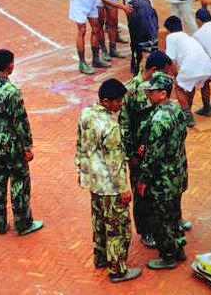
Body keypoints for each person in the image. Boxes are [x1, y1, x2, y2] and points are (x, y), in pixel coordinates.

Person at [75, 78, 141, 283]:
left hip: (92, 181)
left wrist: (82, 169)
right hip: (110, 186)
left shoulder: (86, 114)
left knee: (98, 222)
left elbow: (80, 145)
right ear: (106, 101)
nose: (121, 104)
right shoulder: (111, 127)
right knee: (117, 228)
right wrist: (124, 189)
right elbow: (115, 163)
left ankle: (101, 258)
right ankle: (117, 269)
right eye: (118, 101)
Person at [0, 49, 44, 236]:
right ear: (10, 65)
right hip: (12, 145)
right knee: (19, 182)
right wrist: (27, 147)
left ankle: (1, 222)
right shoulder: (13, 92)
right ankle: (22, 223)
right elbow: (20, 122)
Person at [118, 51, 173, 249]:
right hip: (139, 153)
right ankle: (145, 230)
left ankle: (165, 223)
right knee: (142, 193)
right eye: (165, 73)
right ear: (155, 70)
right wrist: (131, 154)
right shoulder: (130, 91)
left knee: (160, 186)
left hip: (156, 149)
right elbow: (124, 125)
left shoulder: (159, 88)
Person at [136, 71, 189, 269]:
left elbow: (153, 156)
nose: (148, 95)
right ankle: (179, 248)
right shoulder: (176, 110)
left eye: (152, 92)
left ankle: (167, 255)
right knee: (175, 214)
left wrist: (143, 180)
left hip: (162, 179)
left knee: (160, 218)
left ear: (163, 94)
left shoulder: (159, 119)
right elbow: (181, 136)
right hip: (178, 173)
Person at [164, 16, 211, 127]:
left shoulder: (171, 37)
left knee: (178, 86)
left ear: (168, 29)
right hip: (207, 66)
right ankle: (206, 107)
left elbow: (169, 60)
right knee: (200, 83)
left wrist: (175, 76)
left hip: (191, 67)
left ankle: (187, 116)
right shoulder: (188, 37)